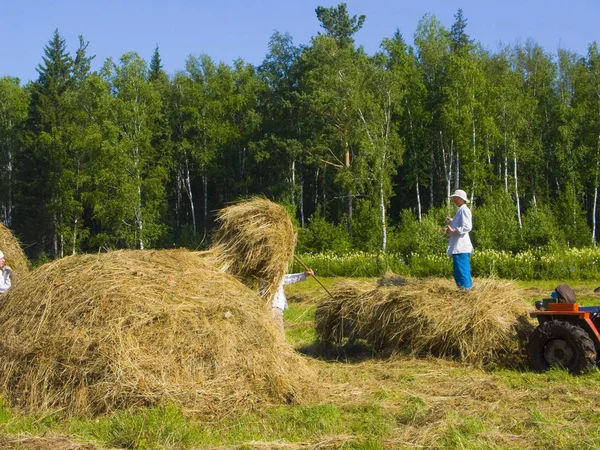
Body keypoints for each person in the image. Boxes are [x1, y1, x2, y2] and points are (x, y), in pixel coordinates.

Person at [444, 189, 474, 290]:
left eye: (455, 198)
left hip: (461, 247)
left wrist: (453, 230)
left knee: (462, 271)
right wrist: (452, 221)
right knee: (459, 271)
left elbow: (467, 226)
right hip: (458, 247)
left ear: (461, 199)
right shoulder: (461, 210)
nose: (454, 201)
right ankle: (465, 291)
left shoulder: (464, 210)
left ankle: (466, 293)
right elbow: (461, 223)